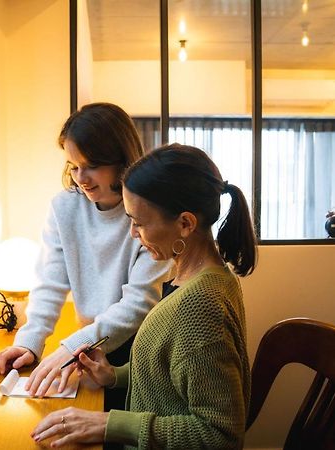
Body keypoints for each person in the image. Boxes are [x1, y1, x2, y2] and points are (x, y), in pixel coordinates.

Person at [31, 143, 257, 449]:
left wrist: (111, 423)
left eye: (138, 223)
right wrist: (114, 376)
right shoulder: (197, 277)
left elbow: (220, 436)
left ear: (185, 223)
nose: (133, 234)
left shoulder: (199, 305)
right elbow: (172, 376)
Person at [0, 103, 171, 403]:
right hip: (86, 345)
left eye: (90, 165)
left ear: (120, 159)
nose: (81, 177)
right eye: (73, 166)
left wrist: (70, 346)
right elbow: (50, 281)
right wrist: (29, 343)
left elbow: (139, 302)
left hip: (137, 350)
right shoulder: (64, 207)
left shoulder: (147, 212)